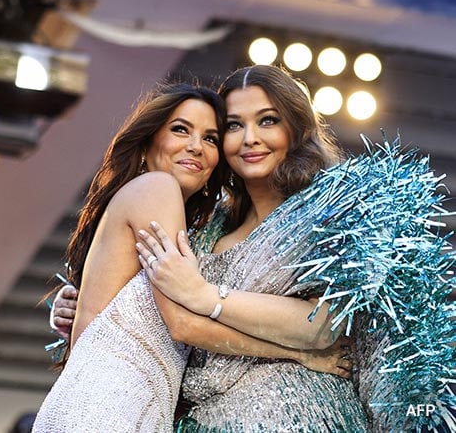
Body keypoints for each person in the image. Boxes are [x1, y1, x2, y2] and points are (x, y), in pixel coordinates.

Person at [136, 65, 454, 432]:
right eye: (234, 126)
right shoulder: (202, 230)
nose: (250, 138)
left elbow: (323, 326)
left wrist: (206, 295)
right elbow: (168, 320)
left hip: (305, 416)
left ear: (296, 127)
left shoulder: (337, 211)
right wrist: (83, 304)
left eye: (267, 121)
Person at [32, 81, 353, 433]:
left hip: (129, 404)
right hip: (107, 405)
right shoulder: (157, 188)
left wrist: (73, 308)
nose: (196, 147)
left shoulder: (190, 225)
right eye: (180, 130)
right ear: (147, 140)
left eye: (211, 137)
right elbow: (183, 324)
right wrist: (297, 354)